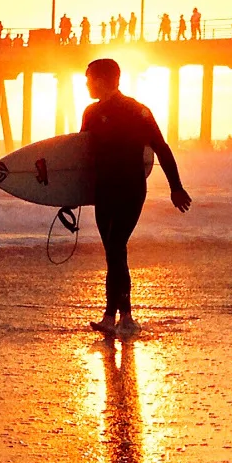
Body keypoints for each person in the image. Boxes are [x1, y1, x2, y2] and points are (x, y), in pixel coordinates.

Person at [81, 58, 191, 337]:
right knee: (113, 253)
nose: (86, 84)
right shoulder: (90, 113)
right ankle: (123, 316)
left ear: (102, 80)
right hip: (103, 191)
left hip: (130, 189)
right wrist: (71, 196)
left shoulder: (137, 111)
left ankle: (115, 316)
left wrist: (175, 187)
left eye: (88, 79)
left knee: (116, 246)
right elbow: (79, 158)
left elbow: (161, 149)